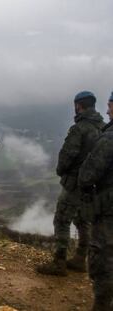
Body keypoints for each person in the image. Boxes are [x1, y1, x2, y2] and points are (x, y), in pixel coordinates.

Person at [36, 91, 105, 276]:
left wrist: (61, 171)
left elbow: (67, 155)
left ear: (78, 105)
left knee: (62, 219)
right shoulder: (103, 128)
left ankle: (59, 262)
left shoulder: (79, 129)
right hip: (94, 185)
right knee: (83, 220)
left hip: (74, 182)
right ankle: (81, 258)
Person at [78, 92, 113, 310]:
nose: (107, 110)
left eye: (110, 105)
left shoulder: (109, 138)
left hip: (109, 209)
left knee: (104, 260)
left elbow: (87, 175)